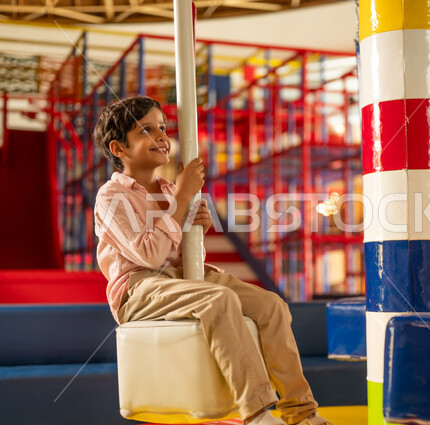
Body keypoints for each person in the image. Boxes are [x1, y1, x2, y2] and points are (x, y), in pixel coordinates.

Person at [93, 96, 332, 425]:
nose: (161, 136)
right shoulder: (112, 195)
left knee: (272, 305)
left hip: (181, 277)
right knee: (219, 299)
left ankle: (301, 411)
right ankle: (258, 411)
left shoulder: (170, 188)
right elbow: (148, 254)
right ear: (119, 149)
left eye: (162, 127)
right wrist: (180, 200)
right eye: (146, 130)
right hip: (140, 287)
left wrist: (196, 232)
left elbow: (189, 256)